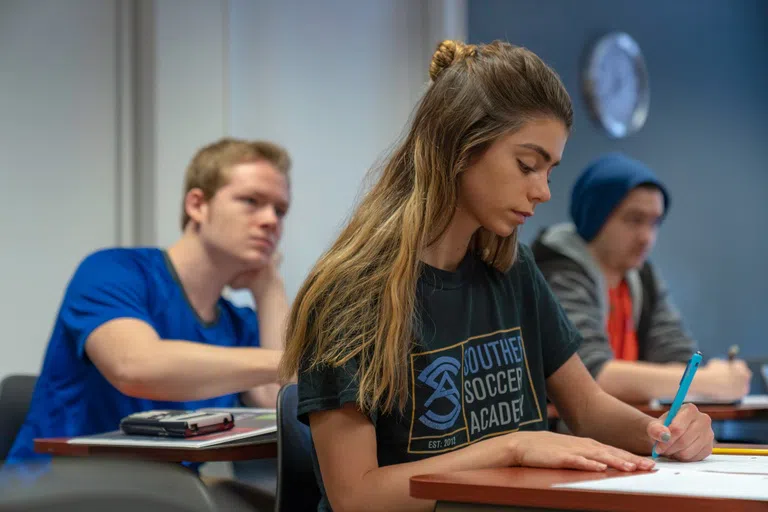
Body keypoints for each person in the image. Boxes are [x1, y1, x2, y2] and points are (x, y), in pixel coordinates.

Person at [279, 40, 714, 512]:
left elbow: (587, 408)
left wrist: (664, 432)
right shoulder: (352, 294)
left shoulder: (513, 270)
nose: (544, 190)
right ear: (459, 147)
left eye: (549, 170)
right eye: (527, 165)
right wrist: (511, 447)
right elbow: (356, 496)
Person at [5, 137, 291, 468]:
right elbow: (135, 366)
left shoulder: (238, 323)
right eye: (251, 201)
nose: (271, 220)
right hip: (59, 485)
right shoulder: (111, 270)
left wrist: (269, 287)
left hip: (165, 491)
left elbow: (278, 404)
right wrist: (285, 361)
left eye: (280, 210)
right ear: (197, 205)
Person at [530, 153, 752, 404]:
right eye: (634, 220)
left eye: (655, 222)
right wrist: (712, 381)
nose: (647, 237)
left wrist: (705, 377)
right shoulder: (558, 273)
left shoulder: (642, 276)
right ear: (596, 217)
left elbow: (677, 356)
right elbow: (590, 376)